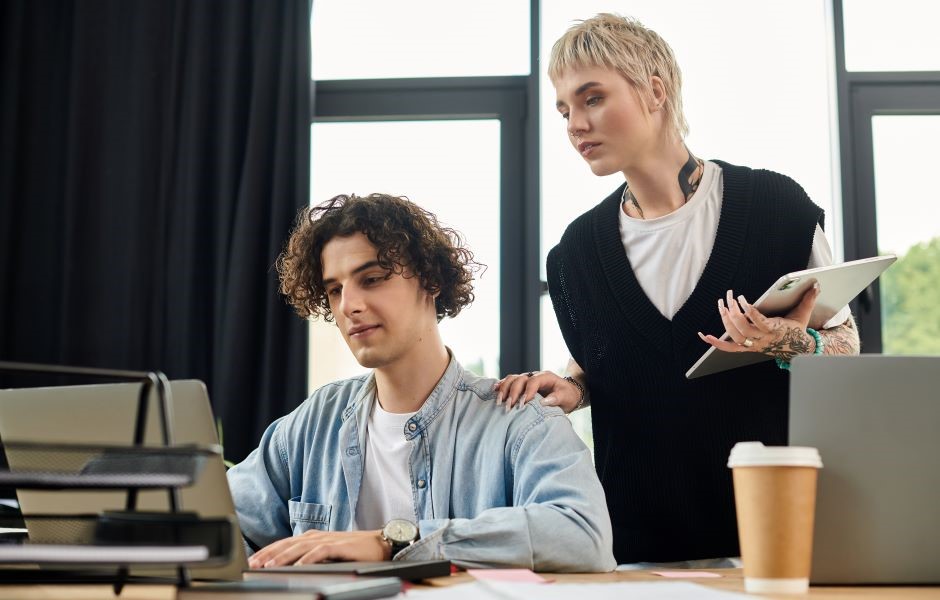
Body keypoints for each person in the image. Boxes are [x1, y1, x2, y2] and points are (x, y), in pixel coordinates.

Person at [495, 14, 860, 564]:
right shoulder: (573, 256)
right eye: (565, 109)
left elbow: (848, 346)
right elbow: (608, 361)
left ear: (655, 91)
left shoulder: (775, 208)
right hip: (634, 552)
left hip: (770, 543)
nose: (574, 123)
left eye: (592, 98)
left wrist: (789, 342)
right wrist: (574, 389)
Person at [227, 193, 615, 572]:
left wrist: (395, 542)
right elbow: (217, 524)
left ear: (430, 281)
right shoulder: (313, 425)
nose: (349, 305)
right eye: (334, 290)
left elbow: (583, 534)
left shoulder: (517, 420)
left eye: (373, 278)